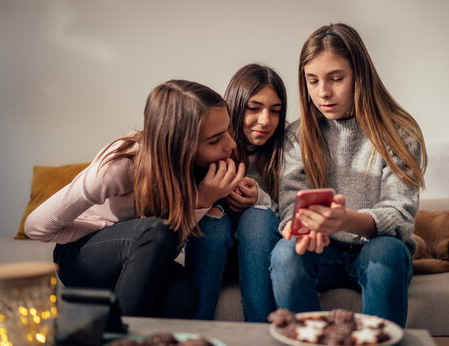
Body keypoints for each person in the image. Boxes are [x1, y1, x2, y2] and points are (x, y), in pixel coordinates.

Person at [25, 80, 245, 318]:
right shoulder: (121, 164)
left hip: (138, 256)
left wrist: (206, 200)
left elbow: (166, 247)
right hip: (81, 259)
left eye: (228, 131)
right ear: (179, 145)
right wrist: (105, 228)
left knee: (183, 295)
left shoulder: (195, 169)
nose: (231, 144)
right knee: (156, 230)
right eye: (215, 140)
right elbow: (36, 226)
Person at [269, 23, 427, 328]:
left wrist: (345, 220)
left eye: (336, 78)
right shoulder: (297, 135)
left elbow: (399, 214)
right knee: (285, 254)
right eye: (312, 81)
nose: (322, 92)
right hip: (320, 250)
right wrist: (301, 227)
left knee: (387, 253)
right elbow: (289, 204)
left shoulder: (400, 133)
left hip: (376, 248)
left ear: (360, 75)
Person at [185, 64, 286, 322]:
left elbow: (292, 211)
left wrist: (260, 199)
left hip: (261, 253)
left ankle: (262, 333)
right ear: (235, 105)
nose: (265, 121)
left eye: (275, 111)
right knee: (213, 222)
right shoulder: (206, 143)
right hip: (212, 250)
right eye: (254, 108)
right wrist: (209, 197)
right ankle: (196, 336)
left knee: (258, 218)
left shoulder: (287, 149)